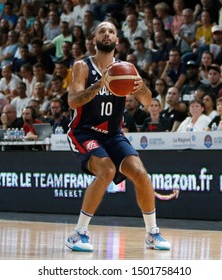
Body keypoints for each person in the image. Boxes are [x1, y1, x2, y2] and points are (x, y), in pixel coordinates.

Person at [66, 21, 171, 252]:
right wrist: (99, 85)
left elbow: (146, 100)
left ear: (117, 40)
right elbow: (72, 101)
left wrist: (141, 87)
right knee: (107, 170)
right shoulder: (82, 67)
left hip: (113, 134)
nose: (106, 34)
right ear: (94, 39)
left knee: (140, 173)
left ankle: (152, 233)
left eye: (111, 31)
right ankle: (78, 233)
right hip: (84, 132)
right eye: (101, 31)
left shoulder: (126, 68)